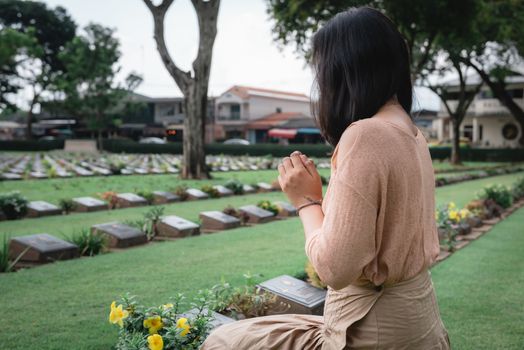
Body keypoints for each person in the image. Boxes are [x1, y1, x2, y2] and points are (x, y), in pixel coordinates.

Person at [201, 6, 450, 349]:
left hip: (369, 330)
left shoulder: (366, 135)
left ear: (343, 72)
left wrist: (306, 200)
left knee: (222, 343)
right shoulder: (411, 133)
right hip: (417, 323)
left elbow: (334, 268)